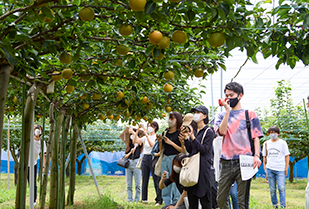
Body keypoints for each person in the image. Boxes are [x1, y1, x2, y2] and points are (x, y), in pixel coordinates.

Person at [214, 82, 263, 209]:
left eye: (232, 95)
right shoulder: (220, 116)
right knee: (220, 198)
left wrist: (257, 155)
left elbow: (256, 137)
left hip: (245, 161)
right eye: (226, 95)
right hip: (226, 162)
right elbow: (222, 132)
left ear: (240, 95)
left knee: (242, 201)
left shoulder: (249, 114)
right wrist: (227, 112)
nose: (229, 98)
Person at [180, 105, 215, 209]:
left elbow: (204, 149)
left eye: (198, 112)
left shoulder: (208, 131)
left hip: (203, 169)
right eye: (194, 112)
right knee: (192, 200)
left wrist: (193, 138)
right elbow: (191, 150)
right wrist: (186, 139)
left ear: (204, 116)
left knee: (205, 200)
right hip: (193, 169)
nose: (195, 115)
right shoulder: (194, 131)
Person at [159, 112, 183, 206]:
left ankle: (176, 205)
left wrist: (170, 143)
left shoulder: (180, 133)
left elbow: (182, 150)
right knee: (164, 180)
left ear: (177, 120)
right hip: (165, 158)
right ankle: (167, 205)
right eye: (169, 118)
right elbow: (161, 149)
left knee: (175, 183)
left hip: (175, 158)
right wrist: (161, 142)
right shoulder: (165, 132)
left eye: (172, 118)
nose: (170, 120)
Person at [262, 126, 290, 208]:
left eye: (274, 132)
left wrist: (286, 168)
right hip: (270, 168)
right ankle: (275, 205)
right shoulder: (266, 143)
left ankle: (283, 205)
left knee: (281, 188)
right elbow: (264, 156)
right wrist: (265, 167)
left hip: (280, 169)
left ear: (278, 133)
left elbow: (287, 156)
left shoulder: (283, 143)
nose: (272, 134)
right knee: (272, 189)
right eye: (271, 132)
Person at [134, 122, 159, 204]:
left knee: (156, 179)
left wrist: (147, 135)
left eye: (150, 126)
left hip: (152, 157)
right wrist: (137, 130)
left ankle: (158, 199)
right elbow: (135, 140)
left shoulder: (156, 137)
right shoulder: (145, 137)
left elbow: (152, 145)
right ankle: (144, 199)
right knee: (144, 179)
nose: (149, 128)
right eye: (148, 126)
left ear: (155, 127)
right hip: (145, 157)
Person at [28, 124, 46, 205]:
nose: (37, 130)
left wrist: (43, 167)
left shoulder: (42, 142)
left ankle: (33, 200)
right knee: (25, 182)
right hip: (24, 163)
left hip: (33, 163)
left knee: (33, 182)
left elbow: (42, 155)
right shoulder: (29, 139)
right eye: (36, 128)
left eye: (39, 128)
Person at [124, 127, 144, 202]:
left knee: (137, 184)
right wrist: (130, 151)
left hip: (136, 163)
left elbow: (140, 142)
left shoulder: (139, 143)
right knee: (129, 184)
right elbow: (125, 156)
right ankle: (130, 199)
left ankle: (136, 200)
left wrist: (133, 132)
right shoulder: (129, 145)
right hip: (129, 163)